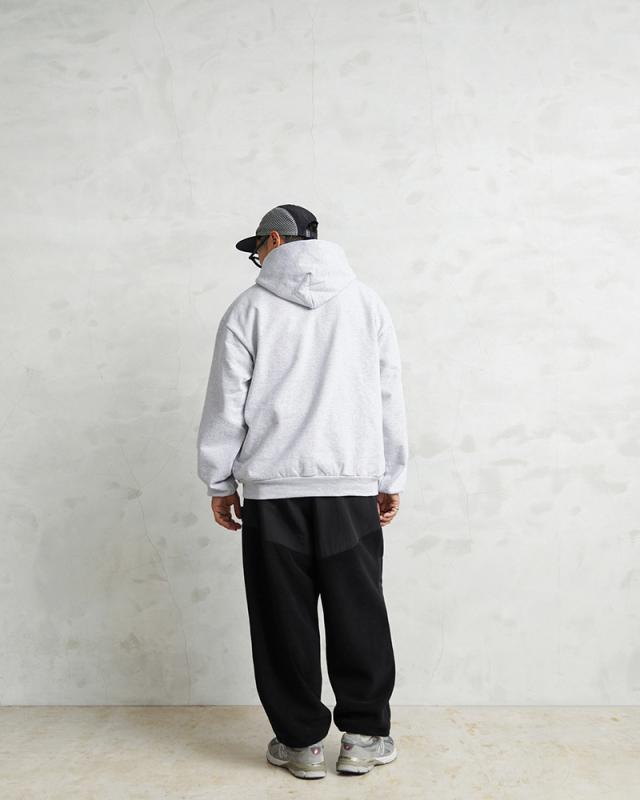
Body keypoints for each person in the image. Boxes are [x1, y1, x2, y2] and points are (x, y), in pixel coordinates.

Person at [196, 203, 409, 779]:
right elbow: (387, 394)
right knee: (358, 611)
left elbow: (226, 402)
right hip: (350, 489)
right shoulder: (366, 303)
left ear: (274, 240)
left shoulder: (248, 309)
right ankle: (363, 736)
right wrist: (389, 475)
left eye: (256, 249)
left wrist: (220, 480)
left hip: (273, 494)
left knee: (281, 618)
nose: (256, 260)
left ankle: (301, 743)